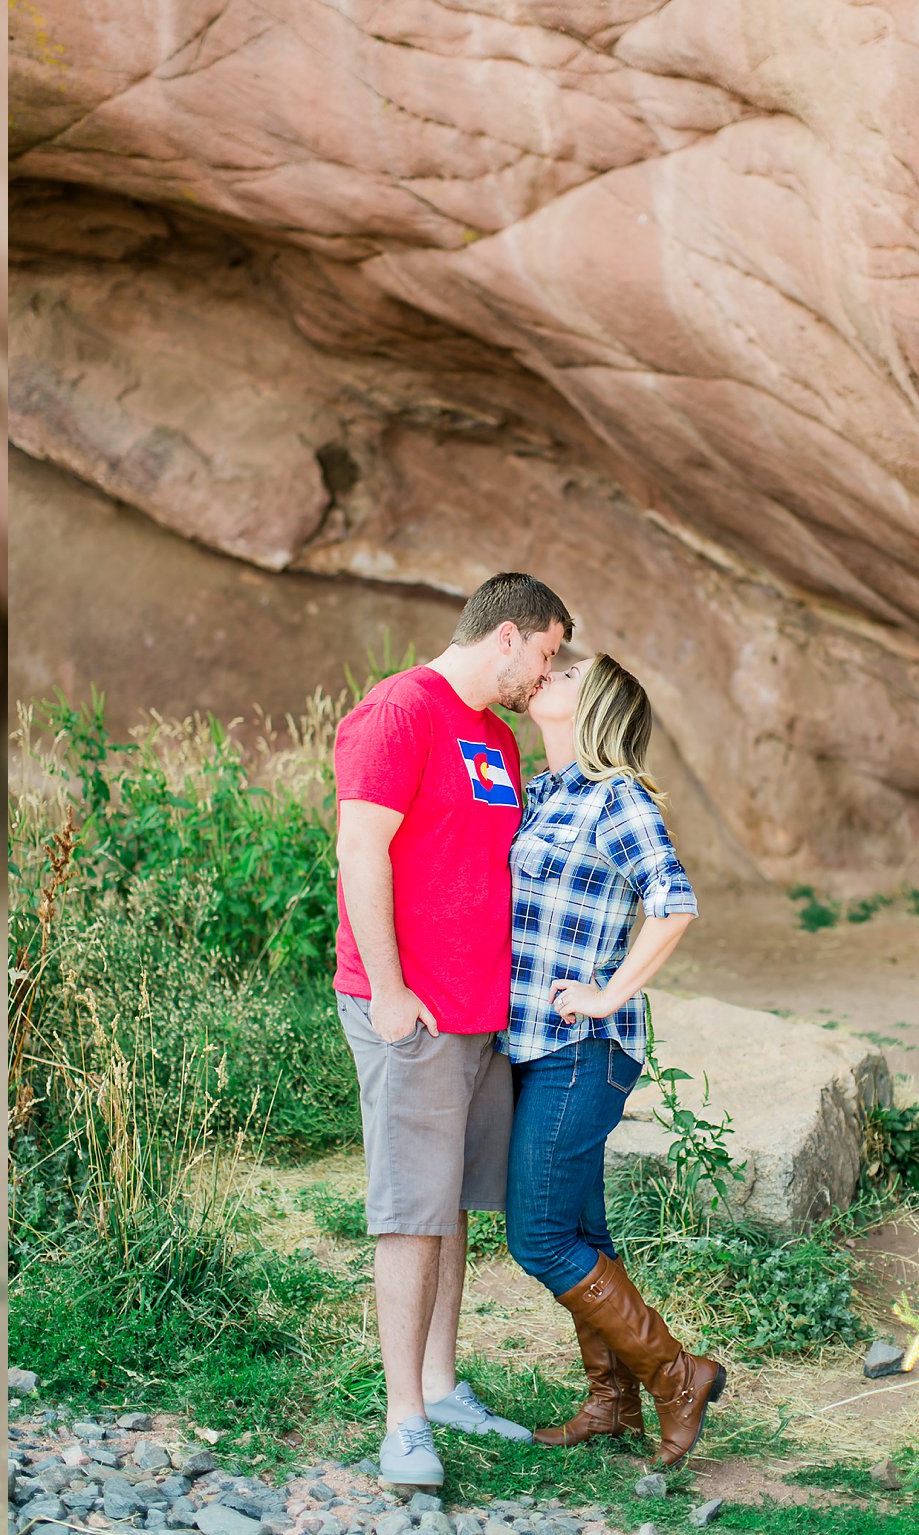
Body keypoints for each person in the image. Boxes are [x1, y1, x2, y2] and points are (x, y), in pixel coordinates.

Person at [333, 572, 571, 1489]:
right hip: (414, 1010)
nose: (545, 673)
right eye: (546, 652)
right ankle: (402, 1424)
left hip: (483, 1014)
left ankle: (438, 1385)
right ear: (506, 635)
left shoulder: (498, 738)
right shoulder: (401, 710)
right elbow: (360, 849)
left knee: (453, 1206)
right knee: (410, 1211)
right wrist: (389, 991)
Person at [506, 653, 721, 1467]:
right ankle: (610, 1403)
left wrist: (603, 992)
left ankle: (676, 1377)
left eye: (564, 672)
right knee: (582, 1232)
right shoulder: (542, 793)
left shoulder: (616, 798)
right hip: (533, 1041)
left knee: (539, 1237)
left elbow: (673, 903)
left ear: (590, 707)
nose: (545, 673)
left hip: (582, 1046)